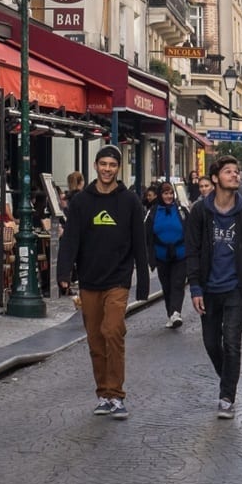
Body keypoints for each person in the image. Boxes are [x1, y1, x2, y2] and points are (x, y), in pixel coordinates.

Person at [53, 147, 153, 418]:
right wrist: (63, 274)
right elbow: (71, 239)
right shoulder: (82, 202)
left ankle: (117, 395)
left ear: (118, 168)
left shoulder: (130, 201)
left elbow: (139, 243)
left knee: (112, 331)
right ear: (96, 166)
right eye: (103, 164)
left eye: (112, 165)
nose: (108, 169)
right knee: (96, 340)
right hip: (89, 280)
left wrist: (142, 281)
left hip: (118, 279)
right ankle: (104, 394)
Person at [185, 157, 242, 419]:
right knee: (212, 343)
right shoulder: (200, 212)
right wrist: (195, 288)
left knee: (232, 342)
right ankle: (229, 377)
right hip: (209, 289)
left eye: (237, 171)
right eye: (228, 172)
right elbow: (192, 251)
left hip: (237, 288)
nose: (235, 175)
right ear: (214, 178)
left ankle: (227, 396)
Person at [145, 181, 188, 329]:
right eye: (165, 193)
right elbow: (147, 235)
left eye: (171, 193)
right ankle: (171, 314)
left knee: (177, 283)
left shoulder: (181, 210)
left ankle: (176, 312)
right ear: (160, 195)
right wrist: (148, 257)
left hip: (181, 254)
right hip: (161, 255)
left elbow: (191, 231)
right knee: (167, 286)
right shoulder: (153, 212)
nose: (169, 196)